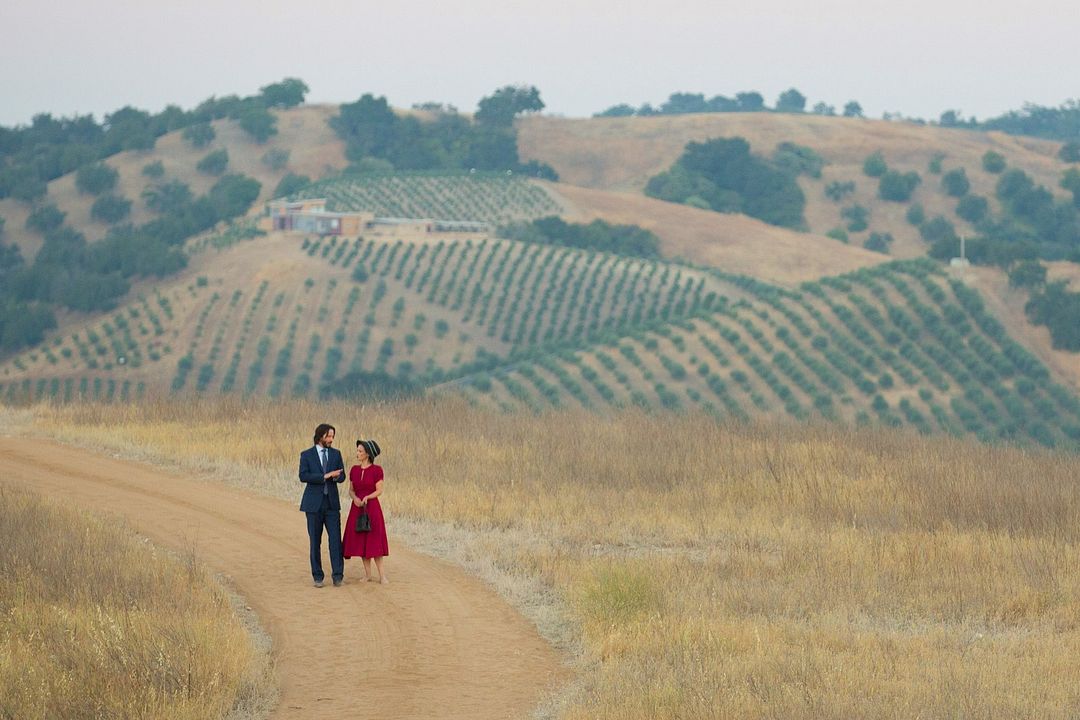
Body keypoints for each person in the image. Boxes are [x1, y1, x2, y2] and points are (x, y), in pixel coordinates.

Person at [298, 423, 346, 587]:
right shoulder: (306, 455)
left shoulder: (336, 454)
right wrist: (324, 476)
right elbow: (303, 476)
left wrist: (336, 477)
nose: (331, 439)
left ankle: (338, 575)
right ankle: (317, 576)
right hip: (313, 505)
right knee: (315, 541)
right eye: (328, 436)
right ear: (320, 437)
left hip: (332, 504)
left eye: (333, 436)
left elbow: (342, 476)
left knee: (335, 541)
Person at [342, 439, 389, 583]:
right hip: (357, 508)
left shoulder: (377, 470)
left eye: (360, 451)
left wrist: (368, 497)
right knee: (361, 540)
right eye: (357, 450)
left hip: (372, 508)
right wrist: (355, 498)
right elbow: (351, 490)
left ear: (367, 454)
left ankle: (382, 576)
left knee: (375, 540)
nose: (357, 453)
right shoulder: (354, 470)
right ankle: (368, 575)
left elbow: (379, 490)